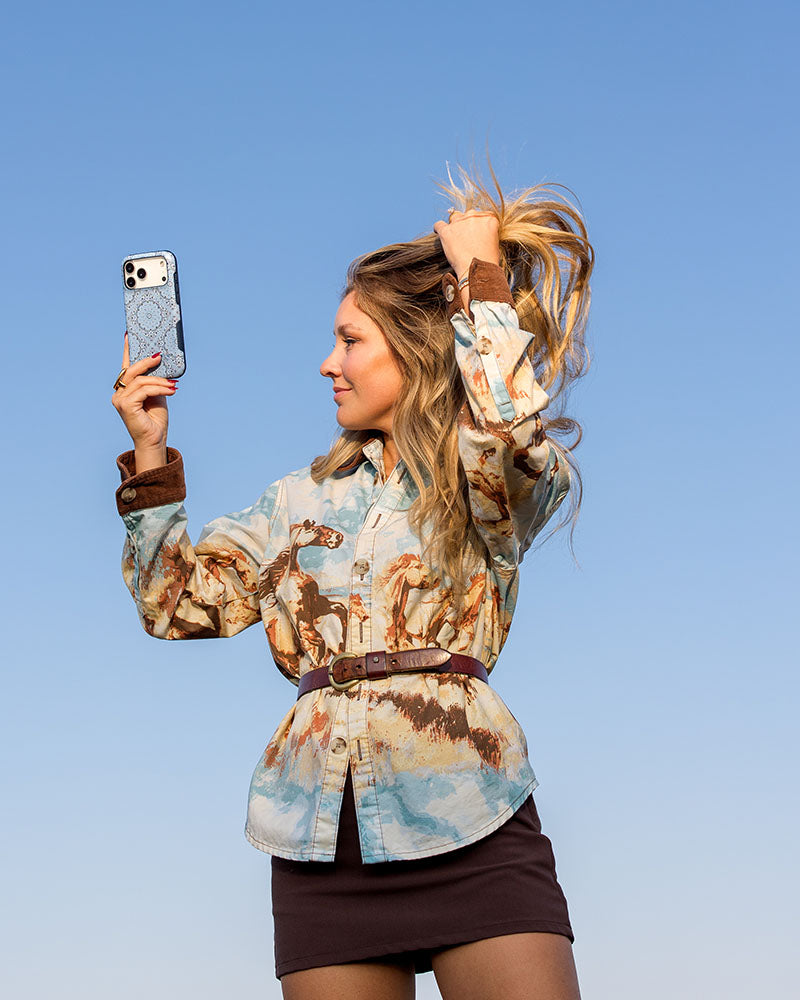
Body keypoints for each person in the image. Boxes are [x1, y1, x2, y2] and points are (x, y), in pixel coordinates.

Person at [111, 161, 593, 1000]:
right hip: (319, 839)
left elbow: (510, 434)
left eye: (350, 341)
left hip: (473, 816)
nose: (327, 363)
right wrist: (149, 452)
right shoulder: (296, 499)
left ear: (418, 349)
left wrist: (483, 280)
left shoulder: (487, 479)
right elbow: (174, 606)